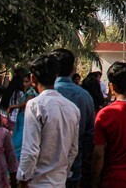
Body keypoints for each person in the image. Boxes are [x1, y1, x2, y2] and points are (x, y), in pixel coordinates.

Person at [17, 54, 80, 187]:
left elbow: (30, 150)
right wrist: (63, 172)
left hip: (38, 183)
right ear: (55, 77)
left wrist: (23, 178)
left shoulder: (35, 105)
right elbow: (73, 150)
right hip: (59, 181)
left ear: (33, 78)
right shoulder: (72, 108)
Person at [52, 48, 95, 188]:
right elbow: (90, 134)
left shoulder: (41, 97)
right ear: (72, 68)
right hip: (74, 167)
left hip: (45, 171)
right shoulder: (85, 96)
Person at [8, 72, 37, 160]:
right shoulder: (27, 92)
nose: (24, 84)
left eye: (27, 81)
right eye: (23, 82)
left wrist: (14, 106)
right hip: (21, 117)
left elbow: (26, 103)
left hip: (25, 117)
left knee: (19, 141)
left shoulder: (31, 92)